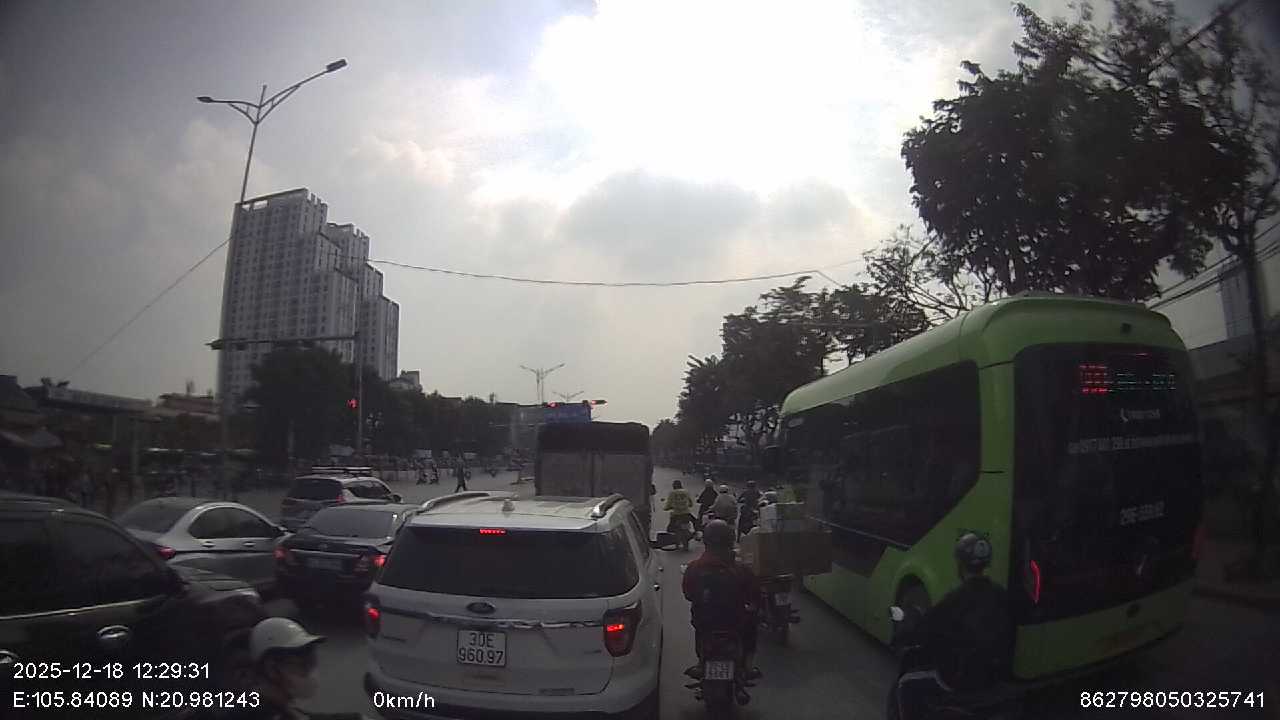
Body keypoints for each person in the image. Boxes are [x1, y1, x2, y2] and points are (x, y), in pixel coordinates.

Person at [891, 532, 1013, 720]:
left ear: (960, 564)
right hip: (994, 677)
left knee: (905, 685)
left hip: (958, 680)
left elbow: (925, 630)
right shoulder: (1000, 594)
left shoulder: (955, 599)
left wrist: (905, 631)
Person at [681, 519, 761, 681]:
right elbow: (754, 594)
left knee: (700, 628)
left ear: (706, 542)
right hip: (735, 621)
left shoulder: (694, 568)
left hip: (704, 621)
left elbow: (688, 594)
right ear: (730, 541)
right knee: (751, 624)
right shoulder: (740, 569)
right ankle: (747, 665)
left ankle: (701, 663)